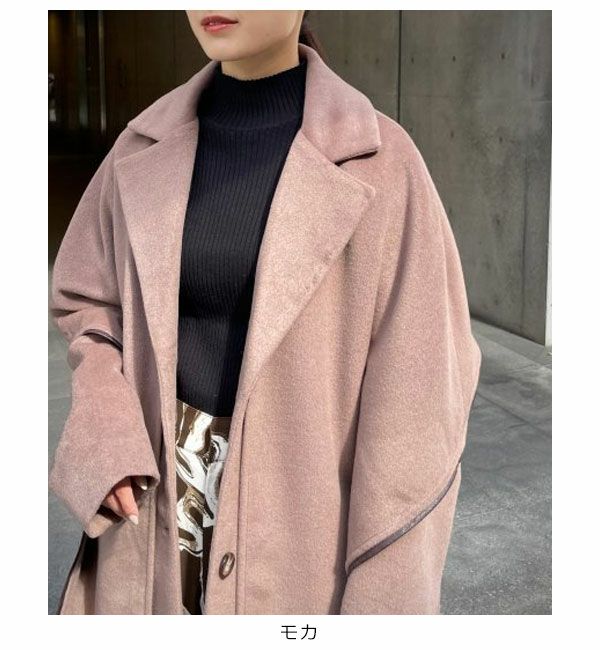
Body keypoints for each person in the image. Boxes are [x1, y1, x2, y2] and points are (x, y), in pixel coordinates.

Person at [49, 10, 482, 615]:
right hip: (148, 516)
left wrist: (385, 595)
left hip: (301, 533)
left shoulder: (384, 164)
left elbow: (421, 402)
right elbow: (87, 298)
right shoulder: (142, 145)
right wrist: (106, 427)